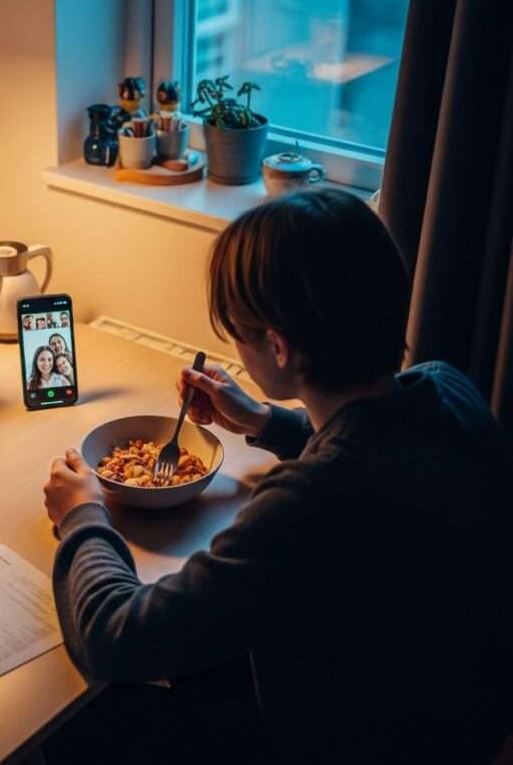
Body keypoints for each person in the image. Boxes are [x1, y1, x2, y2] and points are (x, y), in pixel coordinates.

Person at [41, 189, 513, 765]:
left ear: (279, 347)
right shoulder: (447, 388)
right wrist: (271, 423)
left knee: (77, 726)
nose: (235, 346)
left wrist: (82, 516)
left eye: (236, 333)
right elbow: (376, 454)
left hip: (354, 737)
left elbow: (116, 638)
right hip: (449, 706)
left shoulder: (313, 500)